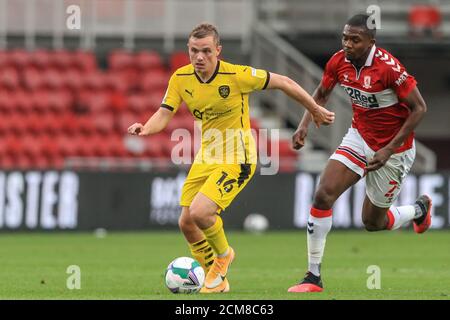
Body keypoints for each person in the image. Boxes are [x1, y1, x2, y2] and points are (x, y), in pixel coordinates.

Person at [128, 23, 335, 293]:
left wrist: (315, 109)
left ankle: (224, 257)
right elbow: (164, 113)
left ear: (218, 51)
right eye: (193, 51)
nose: (199, 57)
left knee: (202, 212)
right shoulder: (181, 78)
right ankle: (217, 279)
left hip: (238, 156)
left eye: (205, 51)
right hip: (207, 156)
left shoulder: (237, 75)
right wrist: (146, 127)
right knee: (186, 222)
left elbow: (284, 82)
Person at [288, 14, 432, 293]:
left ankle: (418, 210)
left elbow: (420, 108)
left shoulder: (388, 68)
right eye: (345, 38)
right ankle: (312, 276)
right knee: (323, 193)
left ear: (371, 43)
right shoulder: (338, 61)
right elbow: (321, 92)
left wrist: (389, 150)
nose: (348, 44)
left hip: (394, 149)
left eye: (355, 40)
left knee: (373, 222)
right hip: (359, 137)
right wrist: (304, 125)